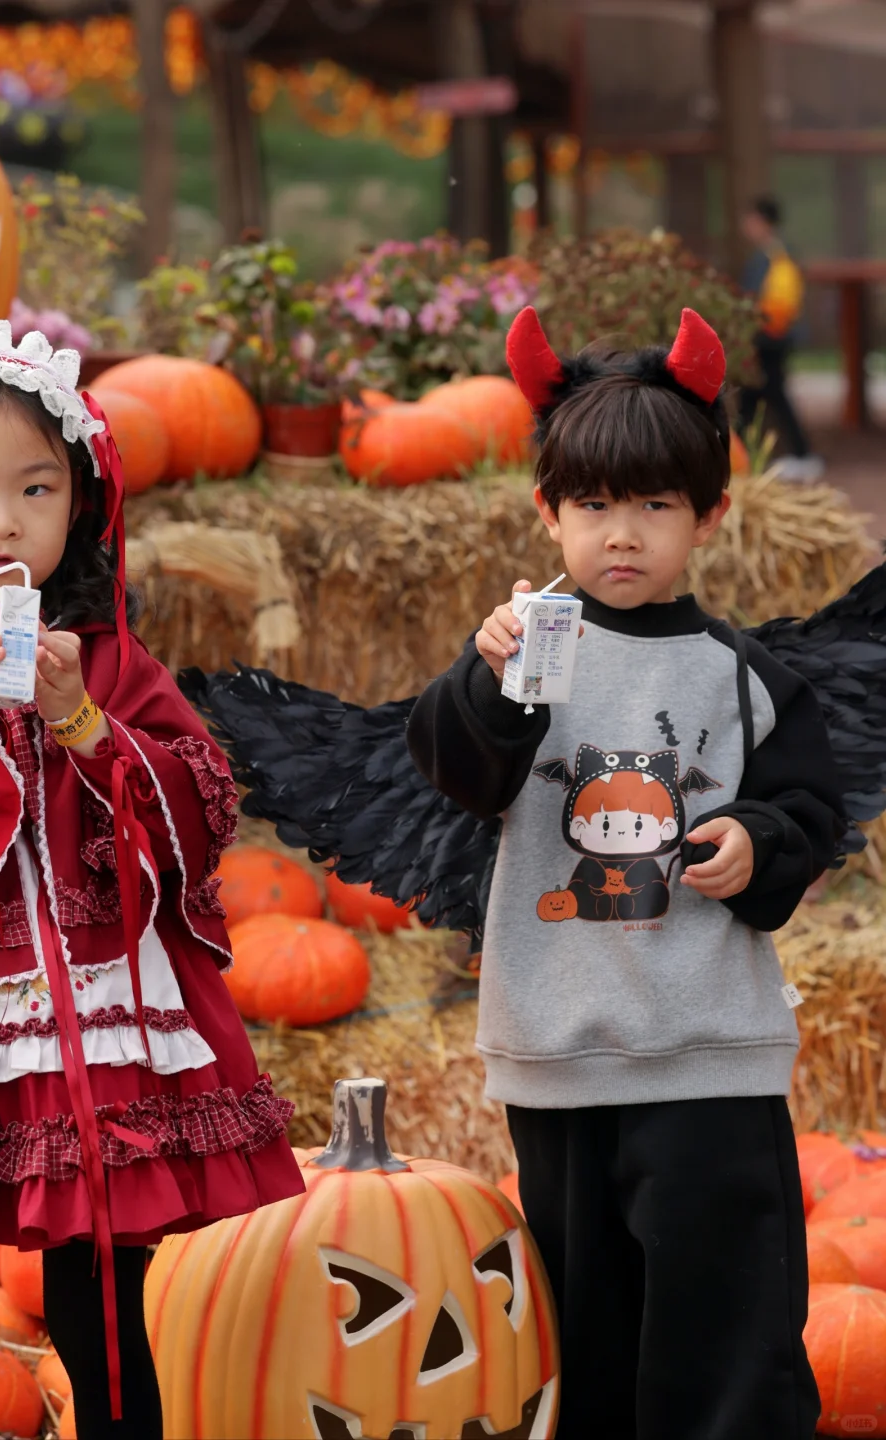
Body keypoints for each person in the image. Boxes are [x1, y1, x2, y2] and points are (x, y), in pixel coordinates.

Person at [0, 320, 302, 1440]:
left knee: (104, 1309)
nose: (1, 519)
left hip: (97, 1015)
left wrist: (84, 722)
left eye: (36, 488)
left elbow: (204, 803)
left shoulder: (112, 656)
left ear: (80, 505)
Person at [406, 308, 846, 1439]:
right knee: (582, 1332)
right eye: (595, 505)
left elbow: (808, 814)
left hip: (708, 1059)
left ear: (711, 516)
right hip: (559, 1055)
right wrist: (485, 676)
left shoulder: (743, 677)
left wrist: (757, 840)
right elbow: (462, 772)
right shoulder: (527, 652)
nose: (623, 534)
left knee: (724, 1328)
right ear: (548, 509)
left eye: (656, 505)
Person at [738, 195, 824, 482]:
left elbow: (774, 305)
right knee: (754, 398)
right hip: (767, 338)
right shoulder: (771, 253)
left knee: (769, 394)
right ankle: (741, 457)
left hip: (769, 339)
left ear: (762, 221)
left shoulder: (773, 256)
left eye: (751, 220)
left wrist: (754, 330)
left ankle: (801, 454)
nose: (746, 226)